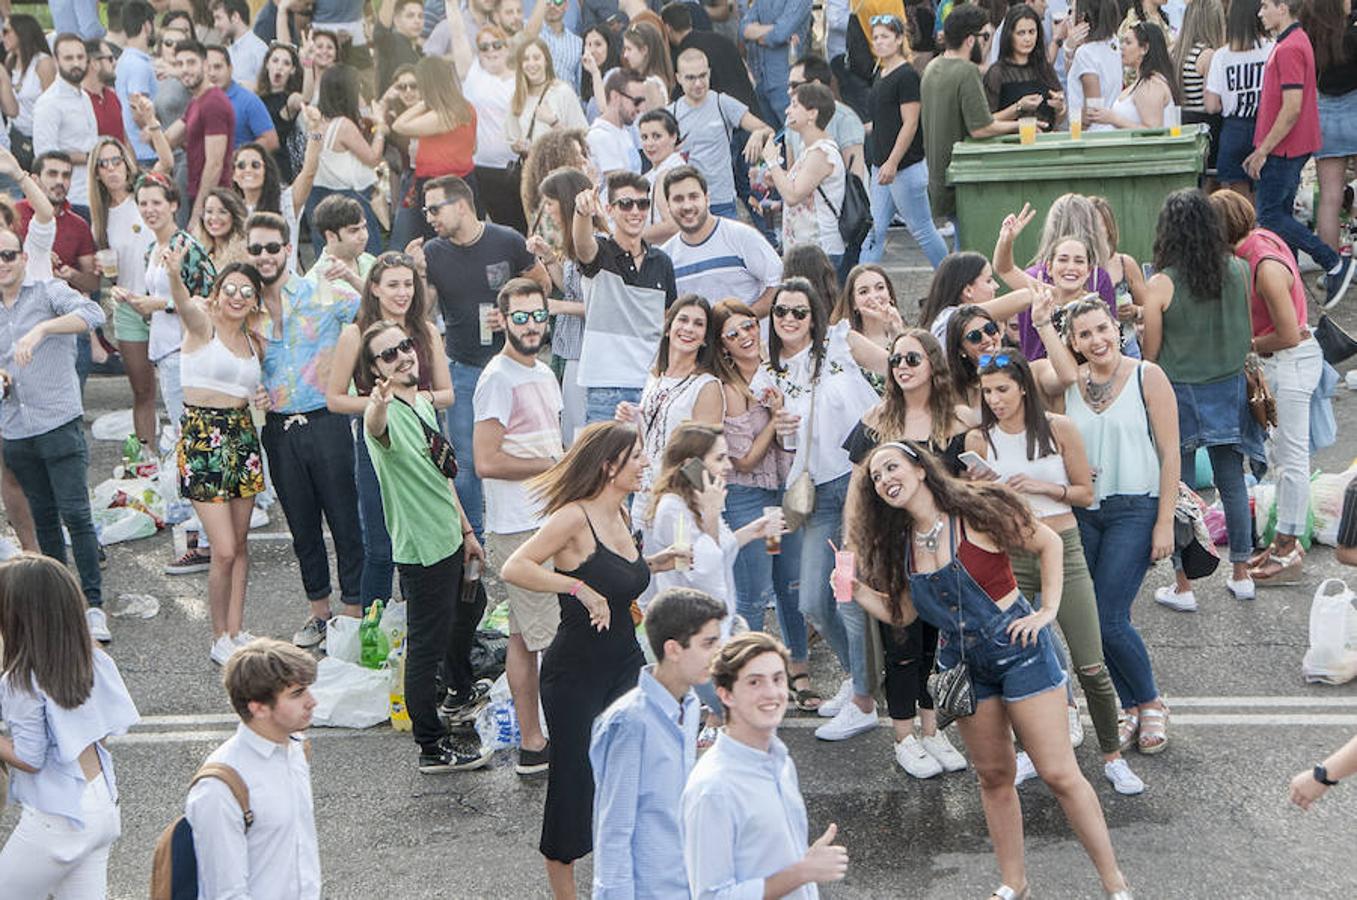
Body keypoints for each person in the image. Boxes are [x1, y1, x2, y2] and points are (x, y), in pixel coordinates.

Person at [847, 441, 1133, 898]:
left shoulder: (974, 511)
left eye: (891, 467)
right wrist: (855, 590)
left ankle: (1114, 883)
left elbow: (1049, 542)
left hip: (1020, 651)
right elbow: (902, 613)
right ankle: (1013, 883)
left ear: (920, 470)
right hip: (962, 666)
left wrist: (1048, 610)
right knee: (994, 777)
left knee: (1059, 773)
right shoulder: (901, 545)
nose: (883, 480)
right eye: (876, 478)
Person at [500, 420, 688, 898]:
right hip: (575, 672)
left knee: (632, 773)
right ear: (609, 466)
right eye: (637, 456)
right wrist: (577, 588)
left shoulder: (621, 513)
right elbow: (514, 566)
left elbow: (622, 574)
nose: (646, 462)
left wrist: (661, 561)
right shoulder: (573, 518)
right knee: (575, 784)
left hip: (624, 663)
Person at [964, 351, 1146, 795]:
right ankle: (1029, 754)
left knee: (1090, 661)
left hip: (1063, 548)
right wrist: (987, 493)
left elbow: (1085, 493)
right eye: (988, 392)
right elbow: (972, 510)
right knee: (1018, 664)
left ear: (1023, 386)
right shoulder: (978, 440)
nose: (995, 400)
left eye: (1002, 389)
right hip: (1011, 555)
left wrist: (1042, 486)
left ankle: (1111, 757)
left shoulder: (1058, 428)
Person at [361, 320, 495, 773]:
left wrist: (469, 533)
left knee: (474, 606)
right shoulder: (382, 416)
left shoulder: (419, 402)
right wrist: (376, 405)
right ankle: (431, 746)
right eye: (388, 354)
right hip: (422, 550)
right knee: (425, 647)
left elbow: (442, 474)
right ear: (376, 370)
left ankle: (457, 689)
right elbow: (375, 426)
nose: (402, 356)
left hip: (451, 538)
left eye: (405, 346)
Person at [757, 277, 885, 743]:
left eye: (798, 311)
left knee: (849, 597)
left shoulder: (839, 342)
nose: (788, 319)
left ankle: (864, 702)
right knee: (812, 598)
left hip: (858, 486)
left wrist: (885, 427)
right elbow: (784, 445)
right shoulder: (770, 375)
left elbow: (900, 370)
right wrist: (778, 425)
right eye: (780, 312)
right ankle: (860, 677)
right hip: (813, 495)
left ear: (814, 315)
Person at [1060, 297, 1176, 757]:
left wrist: (1164, 521)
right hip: (1085, 513)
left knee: (1108, 615)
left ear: (1116, 326)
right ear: (1073, 342)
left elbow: (1170, 453)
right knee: (1093, 620)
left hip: (1136, 507)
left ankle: (1150, 701)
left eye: (1102, 328)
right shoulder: (1069, 384)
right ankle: (1129, 707)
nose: (1096, 340)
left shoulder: (1148, 375)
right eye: (1084, 334)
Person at [249, 211, 366, 646]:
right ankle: (319, 613)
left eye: (272, 247)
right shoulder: (246, 308)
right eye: (256, 248)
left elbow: (377, 312)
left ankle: (351, 612)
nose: (265, 256)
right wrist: (253, 394)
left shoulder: (322, 292)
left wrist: (354, 279)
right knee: (301, 527)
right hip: (279, 430)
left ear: (288, 250)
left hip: (327, 422)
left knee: (344, 522)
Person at [1140, 189, 1259, 606]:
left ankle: (1184, 583)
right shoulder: (1241, 270)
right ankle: (1242, 572)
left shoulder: (1161, 283)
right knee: (1232, 482)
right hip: (1229, 389)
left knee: (1178, 488)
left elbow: (1150, 356)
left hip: (1179, 394)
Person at [417, 174, 550, 541]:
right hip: (464, 367)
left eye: (434, 209)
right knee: (467, 462)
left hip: (515, 366)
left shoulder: (506, 240)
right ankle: (473, 539)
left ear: (462, 205)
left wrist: (511, 311)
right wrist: (415, 275)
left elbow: (542, 286)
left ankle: (538, 529)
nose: (429, 218)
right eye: (426, 211)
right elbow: (423, 309)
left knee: (526, 448)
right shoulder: (432, 253)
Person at [0, 554, 139, 897]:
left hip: (58, 818)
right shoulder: (91, 658)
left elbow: (30, 758)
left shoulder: (20, 681)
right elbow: (103, 730)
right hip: (101, 803)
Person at [473, 277, 564, 776]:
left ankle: (535, 742)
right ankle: (542, 740)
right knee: (546, 637)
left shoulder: (544, 372)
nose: (530, 326)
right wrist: (553, 464)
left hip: (546, 519)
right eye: (520, 317)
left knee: (526, 635)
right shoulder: (497, 378)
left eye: (537, 316)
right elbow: (485, 460)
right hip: (518, 528)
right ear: (503, 320)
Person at [326, 253, 452, 611]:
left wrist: (410, 398)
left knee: (429, 541)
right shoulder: (356, 332)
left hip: (426, 438)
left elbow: (448, 394)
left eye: (408, 284)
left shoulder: (426, 331)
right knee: (380, 549)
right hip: (376, 440)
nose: (402, 293)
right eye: (393, 284)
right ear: (375, 288)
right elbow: (334, 399)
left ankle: (420, 628)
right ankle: (374, 638)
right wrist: (380, 405)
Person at [682, 631, 850, 899]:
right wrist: (803, 872)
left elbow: (769, 860)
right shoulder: (713, 789)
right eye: (754, 682)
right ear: (726, 695)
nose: (772, 693)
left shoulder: (781, 763)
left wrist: (806, 862)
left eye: (778, 679)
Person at [1207, 190, 1320, 587]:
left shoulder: (1263, 264)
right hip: (1281, 364)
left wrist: (1241, 345)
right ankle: (1282, 541)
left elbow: (1289, 334)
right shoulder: (1258, 242)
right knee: (1282, 458)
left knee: (1291, 460)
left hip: (1291, 363)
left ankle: (1289, 548)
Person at [0, 229, 108, 640]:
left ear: (24, 257)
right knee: (43, 522)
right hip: (16, 429)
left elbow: (93, 315)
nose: (3, 262)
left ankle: (94, 605)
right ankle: (60, 608)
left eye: (9, 254)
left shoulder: (47, 292)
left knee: (77, 515)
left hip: (58, 422)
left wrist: (42, 330)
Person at [708, 299, 816, 708]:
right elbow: (745, 460)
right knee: (753, 591)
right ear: (722, 346)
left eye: (749, 326)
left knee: (791, 585)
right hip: (747, 495)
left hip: (785, 492)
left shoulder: (778, 369)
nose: (746, 337)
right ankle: (748, 679)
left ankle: (798, 670)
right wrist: (775, 416)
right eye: (733, 334)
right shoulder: (728, 390)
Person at [590, 586, 727, 899]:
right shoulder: (630, 722)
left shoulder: (689, 705)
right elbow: (614, 827)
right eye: (708, 643)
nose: (719, 653)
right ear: (674, 649)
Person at [171, 259, 267, 663]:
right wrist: (174, 274)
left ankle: (235, 629)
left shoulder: (254, 341)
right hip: (203, 441)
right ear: (217, 291)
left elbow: (255, 394)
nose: (237, 297)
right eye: (230, 288)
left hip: (242, 438)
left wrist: (261, 401)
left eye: (247, 291)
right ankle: (217, 638)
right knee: (223, 549)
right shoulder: (201, 326)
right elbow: (181, 303)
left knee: (241, 545)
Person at [184, 638, 321, 898]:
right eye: (296, 694)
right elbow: (225, 892)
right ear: (257, 707)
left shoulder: (296, 750)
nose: (312, 701)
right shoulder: (220, 788)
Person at [1246, 0, 1354, 309]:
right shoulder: (1295, 40)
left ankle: (1332, 260)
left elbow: (1291, 107)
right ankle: (1289, 290)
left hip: (1283, 149)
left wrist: (1263, 149)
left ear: (1282, 7)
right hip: (1288, 146)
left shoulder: (1291, 46)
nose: (1260, 12)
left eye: (1266, 5)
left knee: (1269, 217)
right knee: (1277, 220)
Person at [573, 173, 679, 425]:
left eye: (642, 204)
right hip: (606, 387)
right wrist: (582, 212)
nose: (635, 211)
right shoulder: (601, 252)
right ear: (609, 209)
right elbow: (582, 245)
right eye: (626, 204)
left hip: (652, 384)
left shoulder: (662, 261)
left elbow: (668, 319)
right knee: (607, 464)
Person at [89, 137, 163, 453]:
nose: (111, 169)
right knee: (141, 389)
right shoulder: (101, 217)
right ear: (97, 174)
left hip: (162, 301)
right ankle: (146, 458)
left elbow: (167, 165)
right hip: (129, 305)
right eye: (103, 164)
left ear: (126, 162)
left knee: (180, 386)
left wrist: (153, 128)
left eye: (115, 160)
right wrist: (101, 269)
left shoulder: (144, 197)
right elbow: (108, 275)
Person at [622, 294, 723, 522]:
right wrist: (631, 420)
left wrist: (678, 499)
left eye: (698, 324)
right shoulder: (654, 378)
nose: (689, 328)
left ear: (705, 338)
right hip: (644, 498)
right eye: (683, 320)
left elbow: (706, 459)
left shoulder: (707, 386)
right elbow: (647, 443)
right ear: (669, 328)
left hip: (681, 502)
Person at [859, 14, 948, 268]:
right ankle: (858, 289)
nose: (879, 42)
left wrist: (892, 162)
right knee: (874, 230)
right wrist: (865, 128)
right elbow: (887, 118)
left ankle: (952, 280)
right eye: (876, 37)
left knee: (922, 230)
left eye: (885, 36)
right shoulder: (881, 73)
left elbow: (910, 123)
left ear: (899, 39)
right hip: (882, 166)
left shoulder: (907, 76)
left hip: (903, 167)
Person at [921, 4, 1019, 234]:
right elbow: (981, 128)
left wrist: (1015, 109)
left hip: (937, 175)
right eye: (985, 36)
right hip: (961, 178)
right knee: (969, 249)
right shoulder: (966, 71)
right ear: (970, 40)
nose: (987, 41)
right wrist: (1021, 126)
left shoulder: (932, 67)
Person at [532, 166, 598, 446]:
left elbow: (602, 305)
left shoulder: (593, 244)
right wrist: (549, 258)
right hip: (572, 349)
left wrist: (557, 307)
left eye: (550, 202)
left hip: (588, 355)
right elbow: (572, 289)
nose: (546, 210)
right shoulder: (572, 243)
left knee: (579, 434)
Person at [659, 165, 782, 315]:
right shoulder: (665, 258)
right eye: (678, 199)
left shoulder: (741, 236)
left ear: (707, 199)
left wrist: (741, 323)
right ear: (668, 207)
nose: (687, 206)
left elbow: (777, 283)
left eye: (693, 197)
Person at [668, 48, 773, 219]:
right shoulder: (671, 113)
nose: (698, 83)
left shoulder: (721, 103)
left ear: (709, 73)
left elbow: (767, 130)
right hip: (688, 203)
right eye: (690, 77)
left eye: (702, 76)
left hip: (721, 200)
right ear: (678, 78)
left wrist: (757, 134)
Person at [764, 82, 847, 267]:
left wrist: (772, 162)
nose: (787, 111)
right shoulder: (808, 149)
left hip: (819, 251)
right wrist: (776, 177)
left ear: (812, 113)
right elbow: (800, 186)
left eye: (794, 105)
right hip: (803, 250)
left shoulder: (822, 152)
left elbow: (793, 195)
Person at [307, 65, 385, 256]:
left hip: (319, 197)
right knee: (364, 257)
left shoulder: (319, 122)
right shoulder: (344, 125)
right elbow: (373, 158)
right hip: (348, 198)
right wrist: (381, 127)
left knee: (329, 258)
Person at [158, 39, 235, 226]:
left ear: (205, 65)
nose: (185, 69)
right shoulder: (196, 101)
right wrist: (150, 123)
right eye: (179, 64)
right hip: (194, 194)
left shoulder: (213, 103)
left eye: (191, 63)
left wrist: (198, 214)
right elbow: (168, 139)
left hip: (214, 202)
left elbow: (215, 164)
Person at [1302, 0, 1357, 262]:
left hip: (1324, 116)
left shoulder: (1311, 32)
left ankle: (1333, 267)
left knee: (1329, 197)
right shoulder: (1353, 31)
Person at [1204, 0, 1272, 201]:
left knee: (1238, 204)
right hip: (1266, 126)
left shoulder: (1222, 55)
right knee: (1267, 198)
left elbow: (1212, 105)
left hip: (1234, 127)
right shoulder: (1271, 49)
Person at [17, 152, 100, 301]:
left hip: (61, 312)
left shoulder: (79, 225)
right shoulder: (12, 213)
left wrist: (73, 275)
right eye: (52, 174)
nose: (60, 181)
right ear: (35, 180)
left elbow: (93, 284)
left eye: (66, 175)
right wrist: (36, 258)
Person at [32, 34, 99, 209]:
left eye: (80, 57)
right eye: (69, 58)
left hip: (95, 194)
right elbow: (45, 155)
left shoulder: (84, 96)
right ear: (56, 61)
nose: (76, 63)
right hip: (70, 198)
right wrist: (88, 157)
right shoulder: (48, 103)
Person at [661, 1, 757, 109]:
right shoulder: (721, 40)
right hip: (750, 110)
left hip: (724, 117)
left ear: (668, 28)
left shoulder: (684, 56)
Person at [984, 4, 1065, 131]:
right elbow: (986, 122)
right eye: (1021, 33)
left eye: (1032, 32)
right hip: (1012, 145)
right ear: (1009, 35)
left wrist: (1060, 108)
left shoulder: (1045, 68)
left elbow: (1058, 120)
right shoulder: (997, 72)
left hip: (1045, 143)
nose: (1028, 38)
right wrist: (1018, 107)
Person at [506, 37, 589, 160]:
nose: (531, 64)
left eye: (536, 58)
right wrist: (518, 146)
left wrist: (554, 122)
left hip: (559, 170)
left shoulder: (562, 92)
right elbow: (513, 140)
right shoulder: (518, 96)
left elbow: (582, 139)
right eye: (526, 59)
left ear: (546, 61)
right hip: (530, 171)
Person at [1087, 22, 1176, 129]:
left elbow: (1153, 132)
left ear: (1144, 49)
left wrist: (1114, 119)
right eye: (1122, 42)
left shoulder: (1151, 85)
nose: (1122, 47)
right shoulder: (1141, 82)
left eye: (1128, 43)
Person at [741, 0, 811, 129]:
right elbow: (743, 29)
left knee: (794, 135)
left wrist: (758, 32)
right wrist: (775, 28)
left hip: (787, 80)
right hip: (760, 78)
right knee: (770, 139)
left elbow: (780, 34)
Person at [205, 45, 280, 154]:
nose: (212, 73)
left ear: (230, 68)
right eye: (207, 68)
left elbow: (271, 141)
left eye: (218, 67)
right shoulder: (197, 100)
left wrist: (238, 156)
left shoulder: (248, 101)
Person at [4, 15, 56, 171]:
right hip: (17, 137)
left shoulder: (43, 63)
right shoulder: (10, 61)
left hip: (40, 138)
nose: (2, 36)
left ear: (21, 32)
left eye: (6, 31)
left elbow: (52, 104)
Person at [1066, 0, 1124, 135]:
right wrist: (1069, 49)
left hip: (1092, 135)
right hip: (1112, 129)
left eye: (1072, 12)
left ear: (1083, 17)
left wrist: (1076, 119)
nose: (1069, 17)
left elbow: (1093, 110)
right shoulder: (1114, 43)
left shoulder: (1086, 53)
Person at [304, 193, 375, 301]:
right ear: (331, 236)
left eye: (364, 227)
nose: (363, 236)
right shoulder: (318, 280)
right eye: (353, 230)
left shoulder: (371, 261)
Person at [116, 1, 161, 167]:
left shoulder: (125, 60)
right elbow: (138, 109)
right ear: (147, 26)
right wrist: (157, 138)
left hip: (137, 149)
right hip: (146, 152)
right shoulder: (138, 65)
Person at [255, 41, 306, 180]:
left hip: (278, 172)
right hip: (254, 167)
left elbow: (305, 99)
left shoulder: (290, 99)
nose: (279, 67)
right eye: (275, 60)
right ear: (267, 64)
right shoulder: (255, 97)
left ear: (293, 70)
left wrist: (307, 63)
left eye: (286, 63)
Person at [587, 67, 645, 178]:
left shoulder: (622, 131)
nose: (640, 108)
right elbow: (619, 187)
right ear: (615, 97)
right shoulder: (601, 137)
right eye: (636, 101)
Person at [638, 108, 685, 243]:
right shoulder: (652, 174)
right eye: (644, 137)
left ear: (673, 137)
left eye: (657, 136)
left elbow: (673, 226)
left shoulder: (669, 173)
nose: (649, 144)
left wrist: (631, 237)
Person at [374, 0, 425, 94]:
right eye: (410, 16)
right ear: (396, 20)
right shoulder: (390, 42)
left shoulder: (420, 51)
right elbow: (380, 32)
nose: (417, 21)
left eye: (421, 16)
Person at [212, 0, 269, 83]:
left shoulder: (258, 49)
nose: (215, 24)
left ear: (235, 17)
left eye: (218, 18)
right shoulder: (228, 51)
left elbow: (265, 89)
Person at [82, 39, 126, 144]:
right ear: (94, 63)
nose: (115, 63)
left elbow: (125, 140)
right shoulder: (79, 102)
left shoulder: (112, 96)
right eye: (110, 59)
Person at [195, 185, 250, 269]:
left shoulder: (245, 255)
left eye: (222, 212)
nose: (214, 218)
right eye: (209, 211)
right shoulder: (196, 251)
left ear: (235, 217)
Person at [622, 23, 674, 109]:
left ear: (644, 50)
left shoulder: (651, 84)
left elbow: (655, 119)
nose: (625, 55)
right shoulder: (647, 82)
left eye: (629, 49)